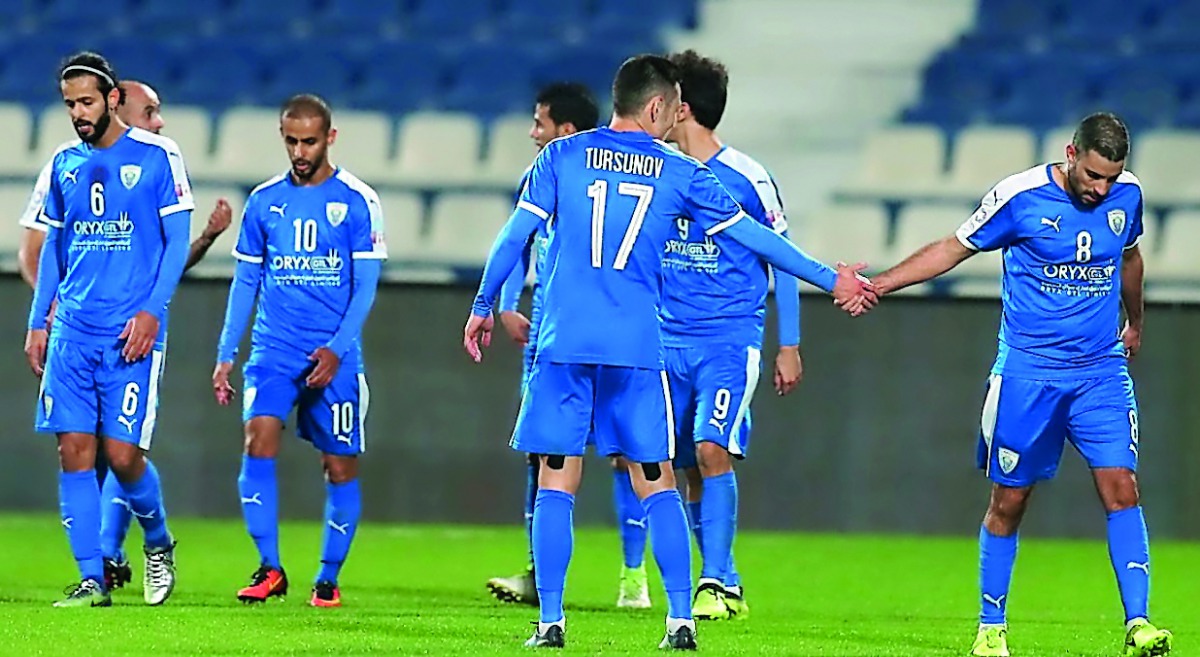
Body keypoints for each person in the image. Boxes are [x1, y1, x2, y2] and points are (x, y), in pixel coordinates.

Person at [463, 54, 874, 650]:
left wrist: (483, 304)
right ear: (656, 107)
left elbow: (514, 237)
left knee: (556, 477)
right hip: (636, 348)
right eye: (673, 107)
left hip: (564, 343)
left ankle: (550, 621)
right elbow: (757, 237)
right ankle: (680, 619)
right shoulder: (679, 172)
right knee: (656, 479)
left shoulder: (561, 156)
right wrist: (832, 279)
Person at [868, 112, 1172, 657]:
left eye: (1111, 178)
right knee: (1009, 500)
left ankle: (1139, 624)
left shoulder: (1128, 196)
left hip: (1100, 372)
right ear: (1071, 154)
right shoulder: (1020, 197)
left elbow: (1130, 258)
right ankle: (991, 629)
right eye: (1093, 176)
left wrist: (1136, 322)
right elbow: (954, 246)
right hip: (1029, 375)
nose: (1102, 189)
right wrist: (882, 284)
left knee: (1122, 487)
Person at [16, 77, 233, 596]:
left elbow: (170, 249)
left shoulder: (159, 159)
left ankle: (156, 542)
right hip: (73, 331)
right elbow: (45, 247)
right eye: (71, 103)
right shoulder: (64, 163)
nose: (159, 120)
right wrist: (40, 318)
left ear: (111, 102)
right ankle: (93, 575)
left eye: (85, 101)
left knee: (122, 455)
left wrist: (153, 309)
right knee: (74, 451)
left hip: (129, 335)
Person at [213, 94, 386, 609]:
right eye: (291, 141)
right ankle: (269, 568)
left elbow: (365, 286)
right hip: (273, 349)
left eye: (309, 141)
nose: (299, 151)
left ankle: (328, 577)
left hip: (334, 356)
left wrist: (337, 349)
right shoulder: (264, 201)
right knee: (258, 439)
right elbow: (246, 281)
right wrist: (226, 352)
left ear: (330, 138)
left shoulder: (357, 200)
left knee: (340, 466)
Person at [487, 83, 653, 610]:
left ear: (565, 129)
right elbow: (519, 241)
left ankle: (633, 575)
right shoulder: (544, 172)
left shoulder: (594, 172)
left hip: (595, 327)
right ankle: (541, 573)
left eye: (539, 123)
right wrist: (508, 302)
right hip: (550, 328)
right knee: (545, 452)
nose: (532, 133)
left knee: (625, 453)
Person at [661, 49, 802, 621]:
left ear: (682, 108)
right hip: (666, 339)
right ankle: (728, 581)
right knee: (682, 465)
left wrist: (789, 343)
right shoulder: (658, 172)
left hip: (727, 339)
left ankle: (713, 583)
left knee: (711, 449)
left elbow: (784, 258)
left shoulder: (747, 177)